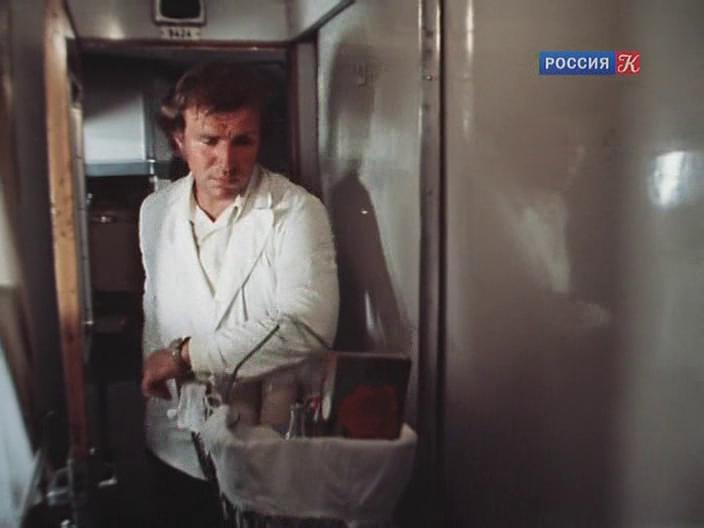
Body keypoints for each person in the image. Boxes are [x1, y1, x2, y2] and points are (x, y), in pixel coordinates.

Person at [138, 62, 339, 527]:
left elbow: (308, 327)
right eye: (209, 140)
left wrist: (184, 355)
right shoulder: (155, 211)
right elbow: (156, 308)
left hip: (265, 442)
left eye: (243, 141)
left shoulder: (295, 211)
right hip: (176, 440)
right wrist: (157, 377)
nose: (226, 162)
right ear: (179, 140)